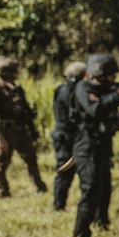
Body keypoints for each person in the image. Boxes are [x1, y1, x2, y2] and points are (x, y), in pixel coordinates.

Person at [70, 53, 119, 237]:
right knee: (90, 190)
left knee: (104, 188)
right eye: (111, 75)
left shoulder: (107, 90)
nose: (114, 79)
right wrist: (118, 95)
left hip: (103, 147)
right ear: (100, 72)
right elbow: (95, 109)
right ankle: (81, 234)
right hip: (87, 148)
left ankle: (102, 222)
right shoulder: (83, 88)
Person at [0, 56, 48, 198]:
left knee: (32, 159)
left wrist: (33, 131)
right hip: (6, 132)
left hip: (21, 130)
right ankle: (3, 192)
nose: (17, 74)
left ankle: (40, 187)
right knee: (1, 164)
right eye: (14, 71)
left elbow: (26, 113)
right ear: (8, 73)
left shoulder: (17, 89)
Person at [50, 60, 87, 211]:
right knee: (64, 172)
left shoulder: (64, 90)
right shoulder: (67, 92)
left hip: (70, 136)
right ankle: (58, 206)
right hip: (66, 138)